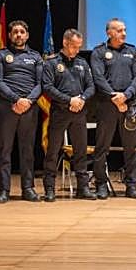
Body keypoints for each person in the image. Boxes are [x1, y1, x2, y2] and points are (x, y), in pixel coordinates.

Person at [89, 18, 136, 199]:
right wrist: (115, 97)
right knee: (102, 147)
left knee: (130, 147)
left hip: (129, 104)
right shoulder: (99, 52)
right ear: (109, 33)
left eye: (124, 30)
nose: (124, 33)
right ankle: (101, 184)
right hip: (107, 105)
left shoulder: (132, 51)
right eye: (119, 30)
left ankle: (132, 185)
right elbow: (98, 78)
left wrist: (125, 96)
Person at [0, 19, 43, 202]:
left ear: (27, 35)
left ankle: (28, 188)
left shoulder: (35, 56)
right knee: (4, 149)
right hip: (7, 107)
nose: (18, 35)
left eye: (22, 32)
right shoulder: (0, 54)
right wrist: (16, 99)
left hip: (29, 107)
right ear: (10, 35)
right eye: (15, 32)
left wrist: (28, 101)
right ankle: (4, 190)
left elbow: (40, 83)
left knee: (27, 149)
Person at [41, 28, 96, 201]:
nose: (77, 50)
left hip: (79, 112)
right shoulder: (51, 63)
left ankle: (83, 188)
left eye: (79, 47)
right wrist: (69, 100)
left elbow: (91, 86)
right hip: (60, 112)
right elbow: (47, 87)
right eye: (74, 46)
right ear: (65, 43)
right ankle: (50, 188)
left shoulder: (82, 63)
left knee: (80, 151)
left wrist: (81, 99)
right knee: (53, 151)